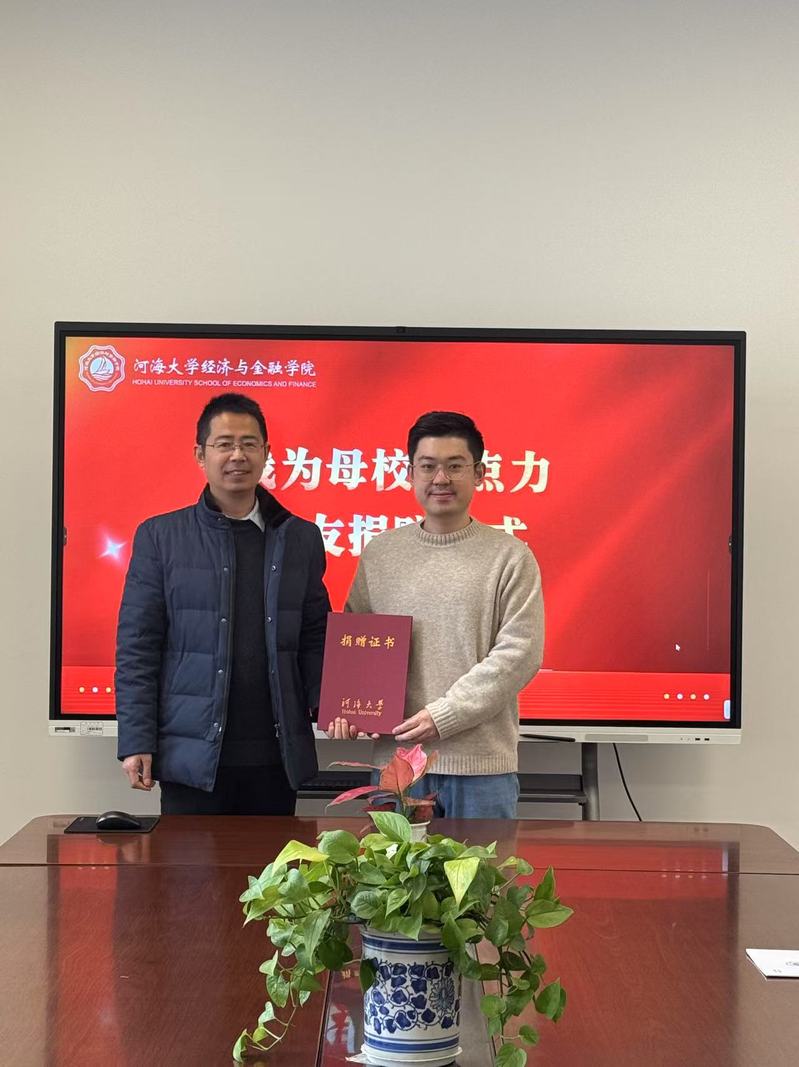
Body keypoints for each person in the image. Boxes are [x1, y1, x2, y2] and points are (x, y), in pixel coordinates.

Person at [115, 392, 330, 814]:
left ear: (266, 452)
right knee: (187, 861)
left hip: (276, 759)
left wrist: (336, 705)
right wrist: (136, 740)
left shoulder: (300, 537)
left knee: (274, 860)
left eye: (249, 444)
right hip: (192, 761)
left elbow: (315, 636)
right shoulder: (161, 537)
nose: (237, 455)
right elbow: (138, 648)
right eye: (224, 444)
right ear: (201, 454)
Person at [328, 410, 544, 819]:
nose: (440, 478)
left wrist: (443, 716)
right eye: (427, 466)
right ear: (410, 474)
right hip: (397, 768)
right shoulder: (381, 554)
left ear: (479, 473)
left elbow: (520, 654)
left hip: (481, 770)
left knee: (484, 866)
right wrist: (349, 710)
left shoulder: (511, 557)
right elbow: (358, 646)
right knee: (389, 865)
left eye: (455, 466)